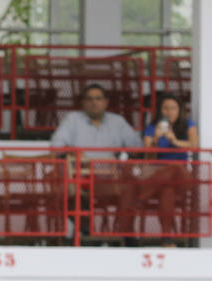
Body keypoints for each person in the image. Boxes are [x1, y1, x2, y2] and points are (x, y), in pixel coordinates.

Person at [48, 84, 142, 240]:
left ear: (106, 102)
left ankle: (127, 235)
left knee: (130, 186)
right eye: (90, 99)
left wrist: (128, 159)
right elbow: (56, 146)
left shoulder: (117, 121)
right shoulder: (73, 119)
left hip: (110, 180)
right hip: (80, 178)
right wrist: (74, 154)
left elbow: (137, 148)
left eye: (98, 99)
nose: (94, 103)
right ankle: (88, 234)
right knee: (64, 188)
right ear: (83, 103)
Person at [128, 94, 199, 243]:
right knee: (168, 191)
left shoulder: (188, 124)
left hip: (182, 177)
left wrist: (175, 141)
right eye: (165, 108)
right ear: (160, 111)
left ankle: (142, 196)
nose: (169, 112)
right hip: (160, 178)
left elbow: (194, 145)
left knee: (174, 166)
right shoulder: (152, 128)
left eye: (173, 108)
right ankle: (166, 238)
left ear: (179, 110)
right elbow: (148, 154)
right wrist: (155, 139)